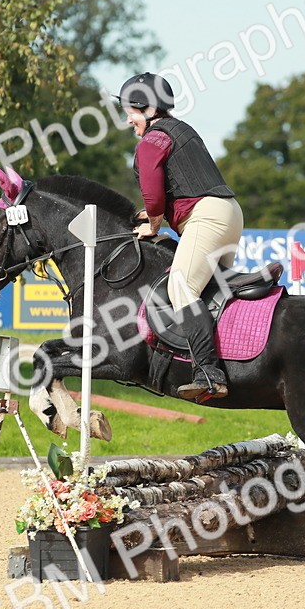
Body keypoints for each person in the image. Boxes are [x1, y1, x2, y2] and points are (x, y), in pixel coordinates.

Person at [116, 72, 244, 401]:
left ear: (146, 107)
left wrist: (153, 224)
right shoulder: (182, 129)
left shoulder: (152, 140)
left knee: (181, 286)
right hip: (229, 212)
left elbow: (155, 197)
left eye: (130, 110)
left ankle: (209, 373)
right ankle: (236, 362)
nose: (129, 119)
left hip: (205, 217)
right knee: (214, 292)